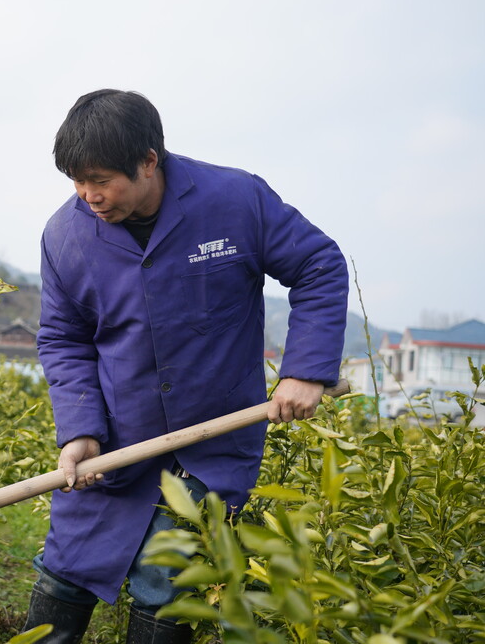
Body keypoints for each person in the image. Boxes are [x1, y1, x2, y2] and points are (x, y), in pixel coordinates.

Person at [22, 90, 348, 643]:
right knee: (68, 567)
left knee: (167, 581)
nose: (89, 195)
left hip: (212, 444)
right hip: (118, 442)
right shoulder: (66, 235)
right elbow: (63, 338)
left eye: (100, 179)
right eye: (77, 181)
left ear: (149, 161)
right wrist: (79, 431)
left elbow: (317, 264)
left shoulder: (235, 200)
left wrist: (305, 368)